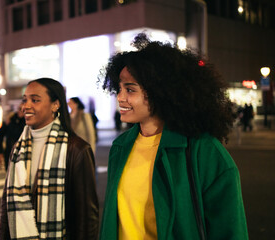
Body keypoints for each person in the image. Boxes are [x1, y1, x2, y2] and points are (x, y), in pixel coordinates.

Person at [99, 33, 248, 240]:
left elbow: (231, 231)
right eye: (119, 88)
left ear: (161, 92)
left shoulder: (204, 150)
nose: (120, 97)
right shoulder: (121, 146)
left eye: (130, 89)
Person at [0, 78, 99, 240]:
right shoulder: (18, 147)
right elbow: (6, 205)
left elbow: (87, 217)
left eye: (35, 100)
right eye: (25, 100)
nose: (26, 106)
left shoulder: (76, 149)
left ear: (55, 105)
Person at [0, 104, 25, 171]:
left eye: (24, 110)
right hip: (10, 153)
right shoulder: (11, 120)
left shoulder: (29, 122)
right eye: (20, 109)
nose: (21, 111)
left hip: (24, 154)